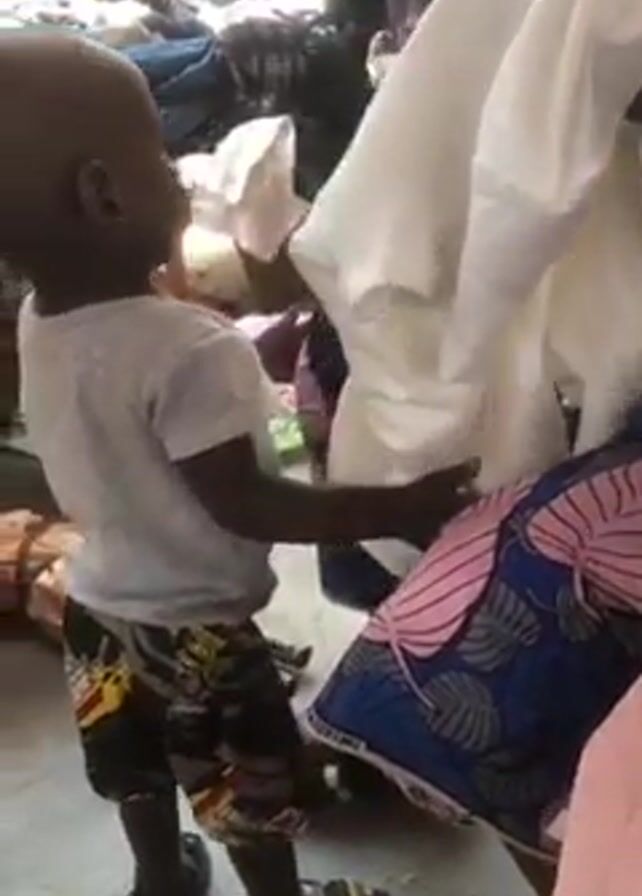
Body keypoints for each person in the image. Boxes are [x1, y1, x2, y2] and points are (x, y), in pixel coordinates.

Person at [5, 33, 474, 896]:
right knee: (249, 799)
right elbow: (250, 503)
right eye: (161, 157)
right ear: (104, 194)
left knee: (136, 767)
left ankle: (159, 877)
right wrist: (400, 506)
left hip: (97, 607)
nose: (181, 176)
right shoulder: (192, 350)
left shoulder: (41, 320)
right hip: (201, 634)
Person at [307, 401, 642, 896]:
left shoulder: (611, 460)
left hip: (417, 663)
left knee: (579, 837)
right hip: (468, 681)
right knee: (586, 838)